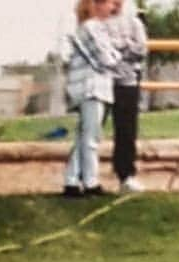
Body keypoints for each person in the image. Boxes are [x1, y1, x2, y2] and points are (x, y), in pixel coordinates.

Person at [64, 0, 121, 198]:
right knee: (91, 137)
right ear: (96, 4)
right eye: (110, 4)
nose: (113, 8)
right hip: (91, 87)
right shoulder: (91, 28)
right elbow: (108, 58)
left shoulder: (95, 28)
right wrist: (116, 55)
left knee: (83, 136)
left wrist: (114, 55)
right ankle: (91, 181)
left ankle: (71, 180)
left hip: (93, 86)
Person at [106, 0, 147, 193]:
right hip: (103, 82)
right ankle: (80, 176)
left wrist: (119, 47)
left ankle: (126, 175)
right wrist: (125, 48)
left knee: (127, 130)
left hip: (127, 83)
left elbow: (141, 50)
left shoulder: (134, 22)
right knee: (89, 130)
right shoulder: (98, 23)